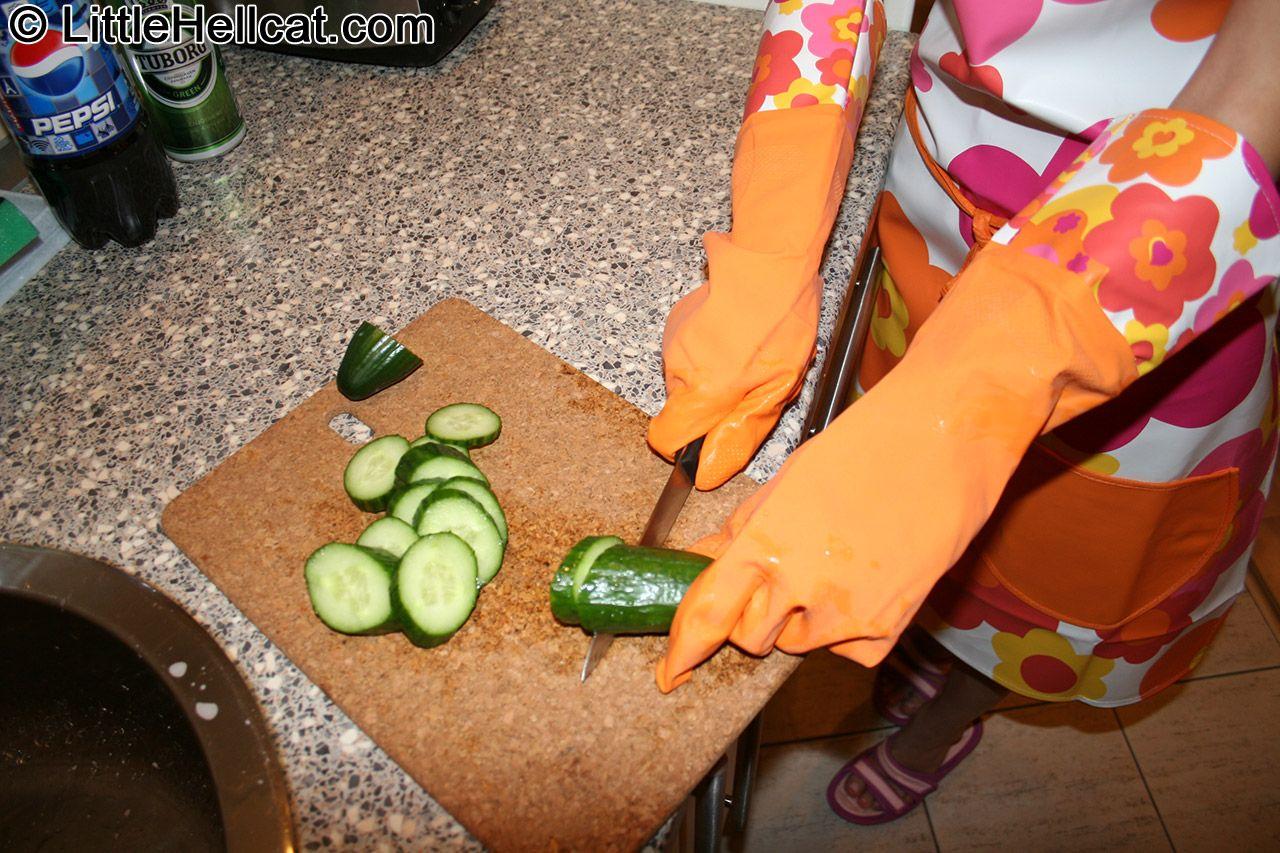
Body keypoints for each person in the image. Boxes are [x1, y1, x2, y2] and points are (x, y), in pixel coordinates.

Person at [647, 0, 1280, 825]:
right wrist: (777, 227)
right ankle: (932, 638)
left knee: (1056, 575)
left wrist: (995, 365)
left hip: (1148, 277)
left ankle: (953, 714)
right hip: (941, 207)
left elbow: (1256, 85)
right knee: (906, 525)